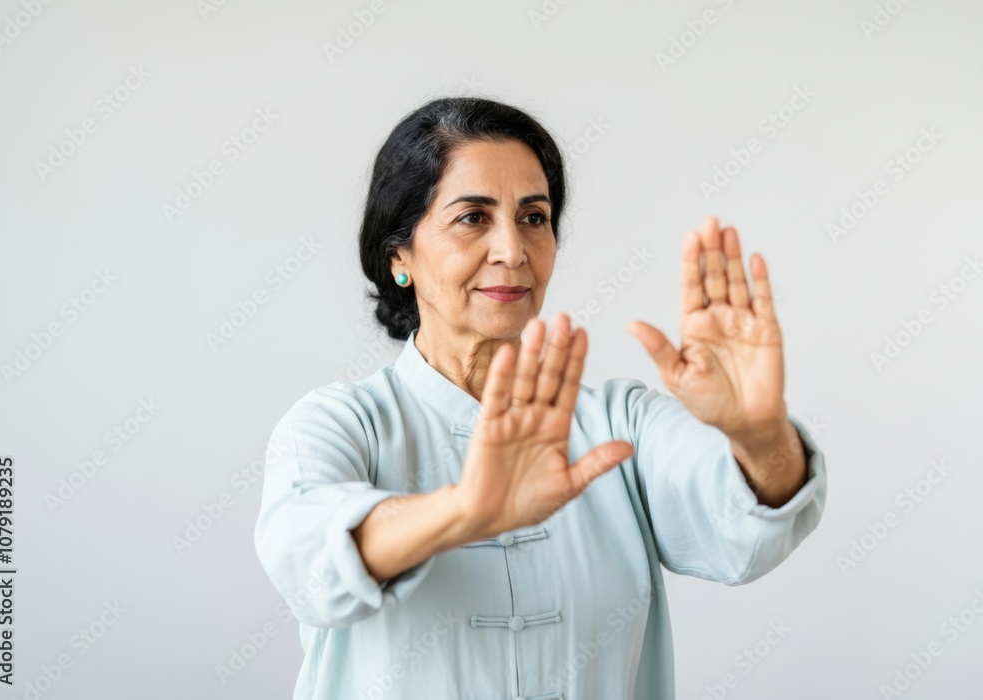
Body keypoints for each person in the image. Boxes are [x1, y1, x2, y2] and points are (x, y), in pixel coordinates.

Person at [254, 96, 828, 700]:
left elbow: (741, 532)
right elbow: (308, 562)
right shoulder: (339, 425)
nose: (513, 250)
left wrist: (759, 435)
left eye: (533, 217)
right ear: (401, 256)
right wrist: (465, 510)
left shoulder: (618, 423)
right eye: (473, 217)